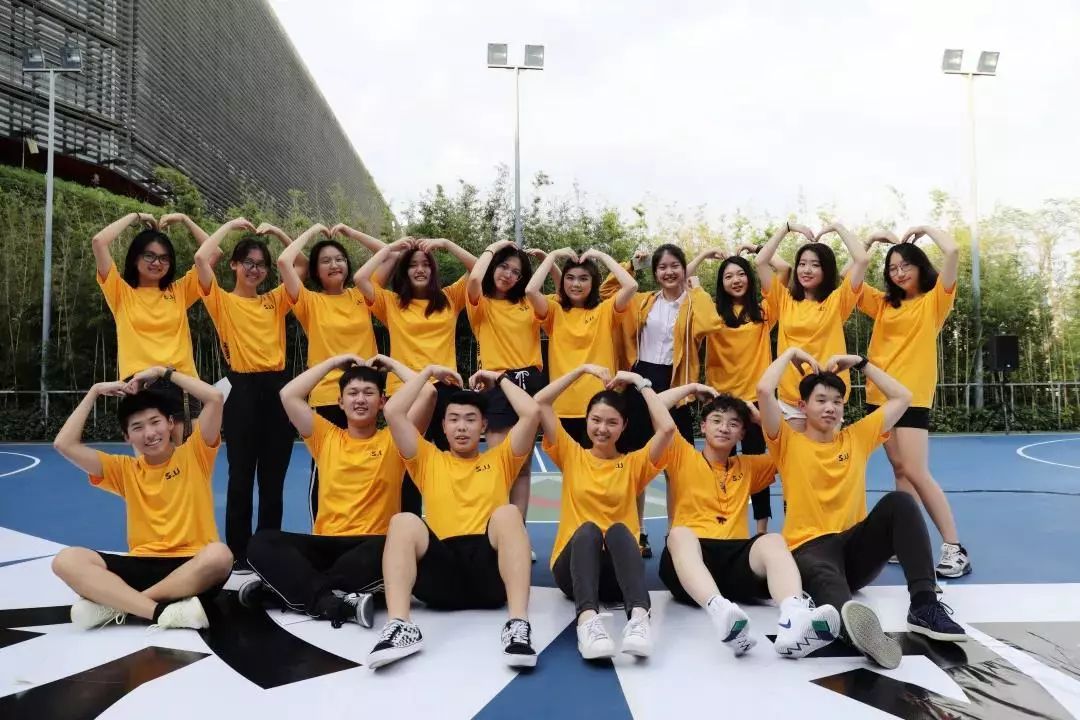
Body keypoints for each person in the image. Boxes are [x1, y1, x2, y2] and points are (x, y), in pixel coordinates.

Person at [757, 347, 967, 670]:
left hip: (855, 550)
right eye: (821, 400)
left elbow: (903, 397)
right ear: (802, 406)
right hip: (810, 550)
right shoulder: (785, 441)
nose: (830, 407)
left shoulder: (856, 438)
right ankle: (858, 630)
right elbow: (763, 390)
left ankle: (924, 605)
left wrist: (860, 363)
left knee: (901, 502)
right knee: (830, 589)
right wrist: (791, 353)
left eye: (837, 402)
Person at [238, 354, 436, 629]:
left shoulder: (395, 439)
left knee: (387, 550)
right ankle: (329, 601)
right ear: (340, 402)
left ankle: (289, 591)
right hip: (325, 544)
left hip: (369, 547)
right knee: (261, 542)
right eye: (352, 393)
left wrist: (391, 365)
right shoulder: (326, 436)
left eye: (369, 393)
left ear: (382, 402)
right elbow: (289, 395)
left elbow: (428, 393)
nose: (360, 399)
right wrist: (332, 363)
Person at [366, 365, 540, 670]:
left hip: (490, 578)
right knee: (403, 521)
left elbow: (531, 412)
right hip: (441, 577)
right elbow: (393, 411)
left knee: (509, 514)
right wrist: (428, 373)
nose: (462, 427)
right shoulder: (426, 459)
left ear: (484, 426)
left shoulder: (501, 459)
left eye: (471, 419)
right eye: (454, 419)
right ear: (443, 427)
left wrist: (499, 379)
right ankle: (400, 625)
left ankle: (517, 624)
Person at [655, 383, 840, 658]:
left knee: (772, 539)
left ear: (742, 433)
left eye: (733, 424)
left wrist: (757, 417)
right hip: (690, 562)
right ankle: (720, 611)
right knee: (679, 534)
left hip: (735, 563)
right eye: (716, 421)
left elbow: (792, 446)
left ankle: (794, 618)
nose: (724, 428)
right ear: (702, 427)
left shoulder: (750, 466)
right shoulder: (681, 455)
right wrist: (692, 387)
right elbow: (656, 405)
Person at [50, 366, 232, 630]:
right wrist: (94, 391)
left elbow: (214, 398)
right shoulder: (124, 470)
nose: (149, 433)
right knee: (66, 560)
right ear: (127, 437)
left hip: (192, 567)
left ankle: (120, 605)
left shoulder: (195, 454)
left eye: (155, 422)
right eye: (137, 427)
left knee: (220, 555)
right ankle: (160, 612)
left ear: (170, 423)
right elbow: (63, 444)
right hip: (141, 564)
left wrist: (162, 372)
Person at [854, 227, 971, 578]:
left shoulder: (934, 301)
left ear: (920, 267)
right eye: (892, 268)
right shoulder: (883, 304)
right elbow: (850, 281)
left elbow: (952, 252)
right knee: (900, 470)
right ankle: (904, 539)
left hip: (912, 396)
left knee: (916, 471)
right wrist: (868, 244)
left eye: (906, 265)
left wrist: (925, 230)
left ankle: (954, 547)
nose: (899, 273)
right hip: (879, 395)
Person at [537, 365, 675, 660]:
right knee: (588, 530)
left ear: (624, 426)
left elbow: (667, 428)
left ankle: (639, 618)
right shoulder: (571, 455)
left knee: (619, 531)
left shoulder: (634, 464)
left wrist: (638, 381)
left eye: (612, 422)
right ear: (586, 420)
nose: (602, 428)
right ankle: (587, 621)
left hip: (617, 577)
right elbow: (541, 402)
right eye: (596, 420)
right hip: (572, 572)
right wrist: (580, 371)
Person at [599, 244, 723, 558]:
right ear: (655, 273)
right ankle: (637, 531)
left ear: (684, 269)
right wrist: (631, 264)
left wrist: (697, 289)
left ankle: (675, 534)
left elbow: (711, 323)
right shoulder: (643, 301)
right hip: (641, 381)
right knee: (637, 462)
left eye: (674, 266)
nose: (669, 272)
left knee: (676, 467)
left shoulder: (694, 303)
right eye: (662, 267)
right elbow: (607, 291)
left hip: (676, 383)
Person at [194, 217, 297, 571]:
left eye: (261, 264)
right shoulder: (220, 301)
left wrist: (278, 232)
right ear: (234, 265)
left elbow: (297, 264)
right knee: (240, 476)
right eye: (248, 262)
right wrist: (231, 225)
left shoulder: (275, 301)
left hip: (278, 387)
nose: (255, 270)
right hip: (240, 388)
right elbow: (202, 259)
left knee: (273, 478)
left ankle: (268, 549)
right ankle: (238, 553)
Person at [275, 223, 395, 524]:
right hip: (329, 397)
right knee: (328, 471)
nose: (334, 264)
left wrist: (352, 234)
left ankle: (365, 527)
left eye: (339, 258)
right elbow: (284, 262)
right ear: (315, 270)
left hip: (365, 394)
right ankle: (323, 532)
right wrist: (313, 231)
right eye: (326, 260)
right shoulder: (309, 301)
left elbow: (388, 254)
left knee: (368, 468)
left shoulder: (361, 295)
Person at [356, 236, 477, 515]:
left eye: (425, 264)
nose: (420, 269)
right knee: (406, 465)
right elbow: (360, 278)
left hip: (446, 390)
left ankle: (454, 525)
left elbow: (478, 268)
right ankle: (407, 527)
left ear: (433, 270)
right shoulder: (391, 303)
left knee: (453, 461)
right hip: (405, 393)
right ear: (404, 270)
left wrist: (446, 243)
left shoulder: (450, 298)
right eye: (412, 265)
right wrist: (391, 249)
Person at [92, 212, 216, 444]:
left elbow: (213, 252)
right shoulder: (121, 293)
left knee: (187, 459)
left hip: (181, 383)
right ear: (135, 258)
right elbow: (99, 242)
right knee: (150, 461)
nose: (157, 263)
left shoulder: (179, 292)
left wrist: (185, 220)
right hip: (141, 386)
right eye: (149, 255)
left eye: (164, 258)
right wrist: (135, 216)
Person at [689, 248, 777, 534]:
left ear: (749, 277)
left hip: (753, 400)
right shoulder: (712, 310)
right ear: (721, 282)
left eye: (741, 274)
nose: (736, 280)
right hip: (720, 399)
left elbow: (784, 272)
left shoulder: (764, 311)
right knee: (717, 463)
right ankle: (718, 522)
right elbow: (684, 276)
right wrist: (703, 256)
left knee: (756, 463)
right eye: (728, 276)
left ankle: (761, 530)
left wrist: (759, 251)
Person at [756, 222, 869, 431]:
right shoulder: (783, 299)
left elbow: (862, 260)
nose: (806, 270)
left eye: (815, 265)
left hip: (828, 397)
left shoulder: (838, 301)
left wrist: (837, 227)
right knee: (795, 453)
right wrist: (787, 228)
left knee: (827, 452)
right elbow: (761, 261)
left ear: (826, 270)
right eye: (802, 264)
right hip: (792, 397)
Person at [466, 239, 546, 533]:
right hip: (497, 383)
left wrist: (546, 261)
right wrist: (496, 245)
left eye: (516, 271)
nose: (508, 275)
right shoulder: (481, 304)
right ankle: (498, 531)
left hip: (529, 384)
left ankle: (518, 532)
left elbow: (556, 298)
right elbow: (474, 278)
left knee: (523, 467)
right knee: (499, 465)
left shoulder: (528, 304)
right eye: (503, 266)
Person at [526, 247, 637, 444]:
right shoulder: (554, 312)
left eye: (584, 278)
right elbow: (530, 291)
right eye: (570, 278)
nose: (576, 284)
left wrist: (601, 255)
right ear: (563, 282)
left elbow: (631, 286)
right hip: (563, 406)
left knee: (598, 463)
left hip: (599, 409)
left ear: (593, 283)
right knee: (567, 464)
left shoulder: (605, 311)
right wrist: (552, 256)